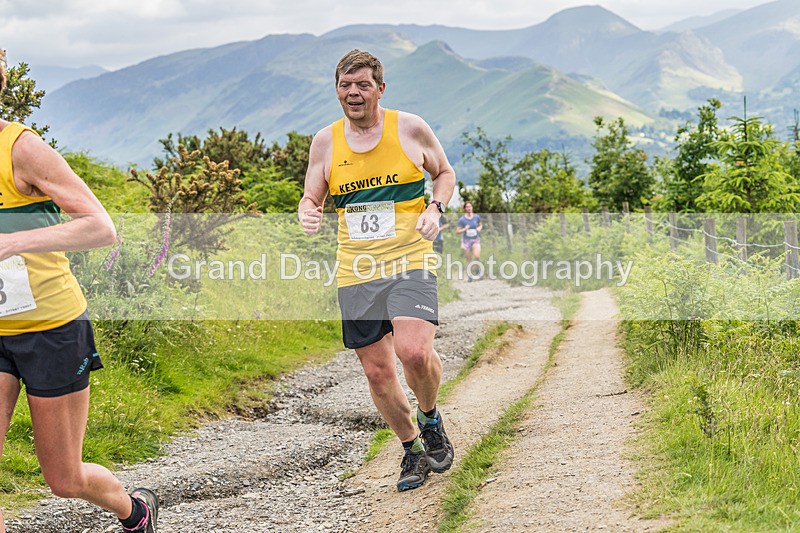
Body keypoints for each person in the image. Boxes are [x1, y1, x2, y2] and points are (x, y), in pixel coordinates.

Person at [0, 49, 158, 533]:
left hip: (50, 328)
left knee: (64, 479)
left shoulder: (21, 148)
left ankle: (135, 511)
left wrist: (13, 243)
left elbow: (100, 226)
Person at [299, 49, 456, 491]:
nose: (353, 92)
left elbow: (445, 173)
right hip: (358, 270)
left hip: (410, 259)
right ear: (337, 90)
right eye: (345, 85)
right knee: (377, 372)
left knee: (414, 353)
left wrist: (435, 207)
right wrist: (308, 210)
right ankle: (411, 449)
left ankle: (430, 418)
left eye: (363, 84)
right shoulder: (326, 141)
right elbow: (312, 196)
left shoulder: (410, 128)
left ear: (380, 89)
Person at [456, 201, 483, 281]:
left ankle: (478, 271)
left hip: (475, 239)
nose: (469, 208)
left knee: (477, 256)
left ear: (472, 207)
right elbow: (457, 231)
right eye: (467, 207)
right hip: (466, 241)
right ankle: (470, 276)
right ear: (465, 209)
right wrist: (464, 229)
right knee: (469, 259)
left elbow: (480, 225)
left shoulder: (476, 217)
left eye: (470, 206)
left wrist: (479, 228)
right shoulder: (462, 220)